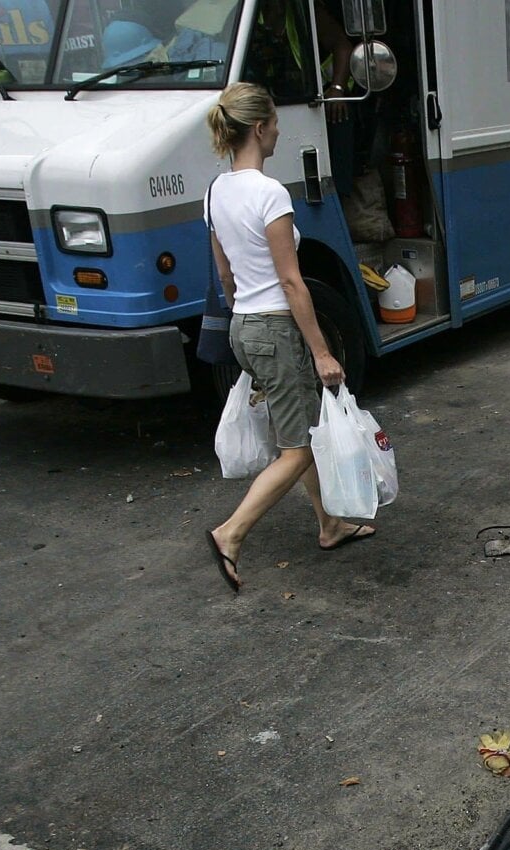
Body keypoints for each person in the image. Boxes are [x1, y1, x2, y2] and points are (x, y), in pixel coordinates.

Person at [203, 83, 373, 592]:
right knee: (297, 448)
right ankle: (230, 534)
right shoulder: (269, 193)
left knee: (302, 430)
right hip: (276, 328)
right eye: (274, 122)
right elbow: (292, 280)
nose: (279, 130)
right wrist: (322, 351)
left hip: (244, 326)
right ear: (259, 128)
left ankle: (330, 524)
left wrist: (246, 321)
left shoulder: (216, 191)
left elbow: (226, 275)